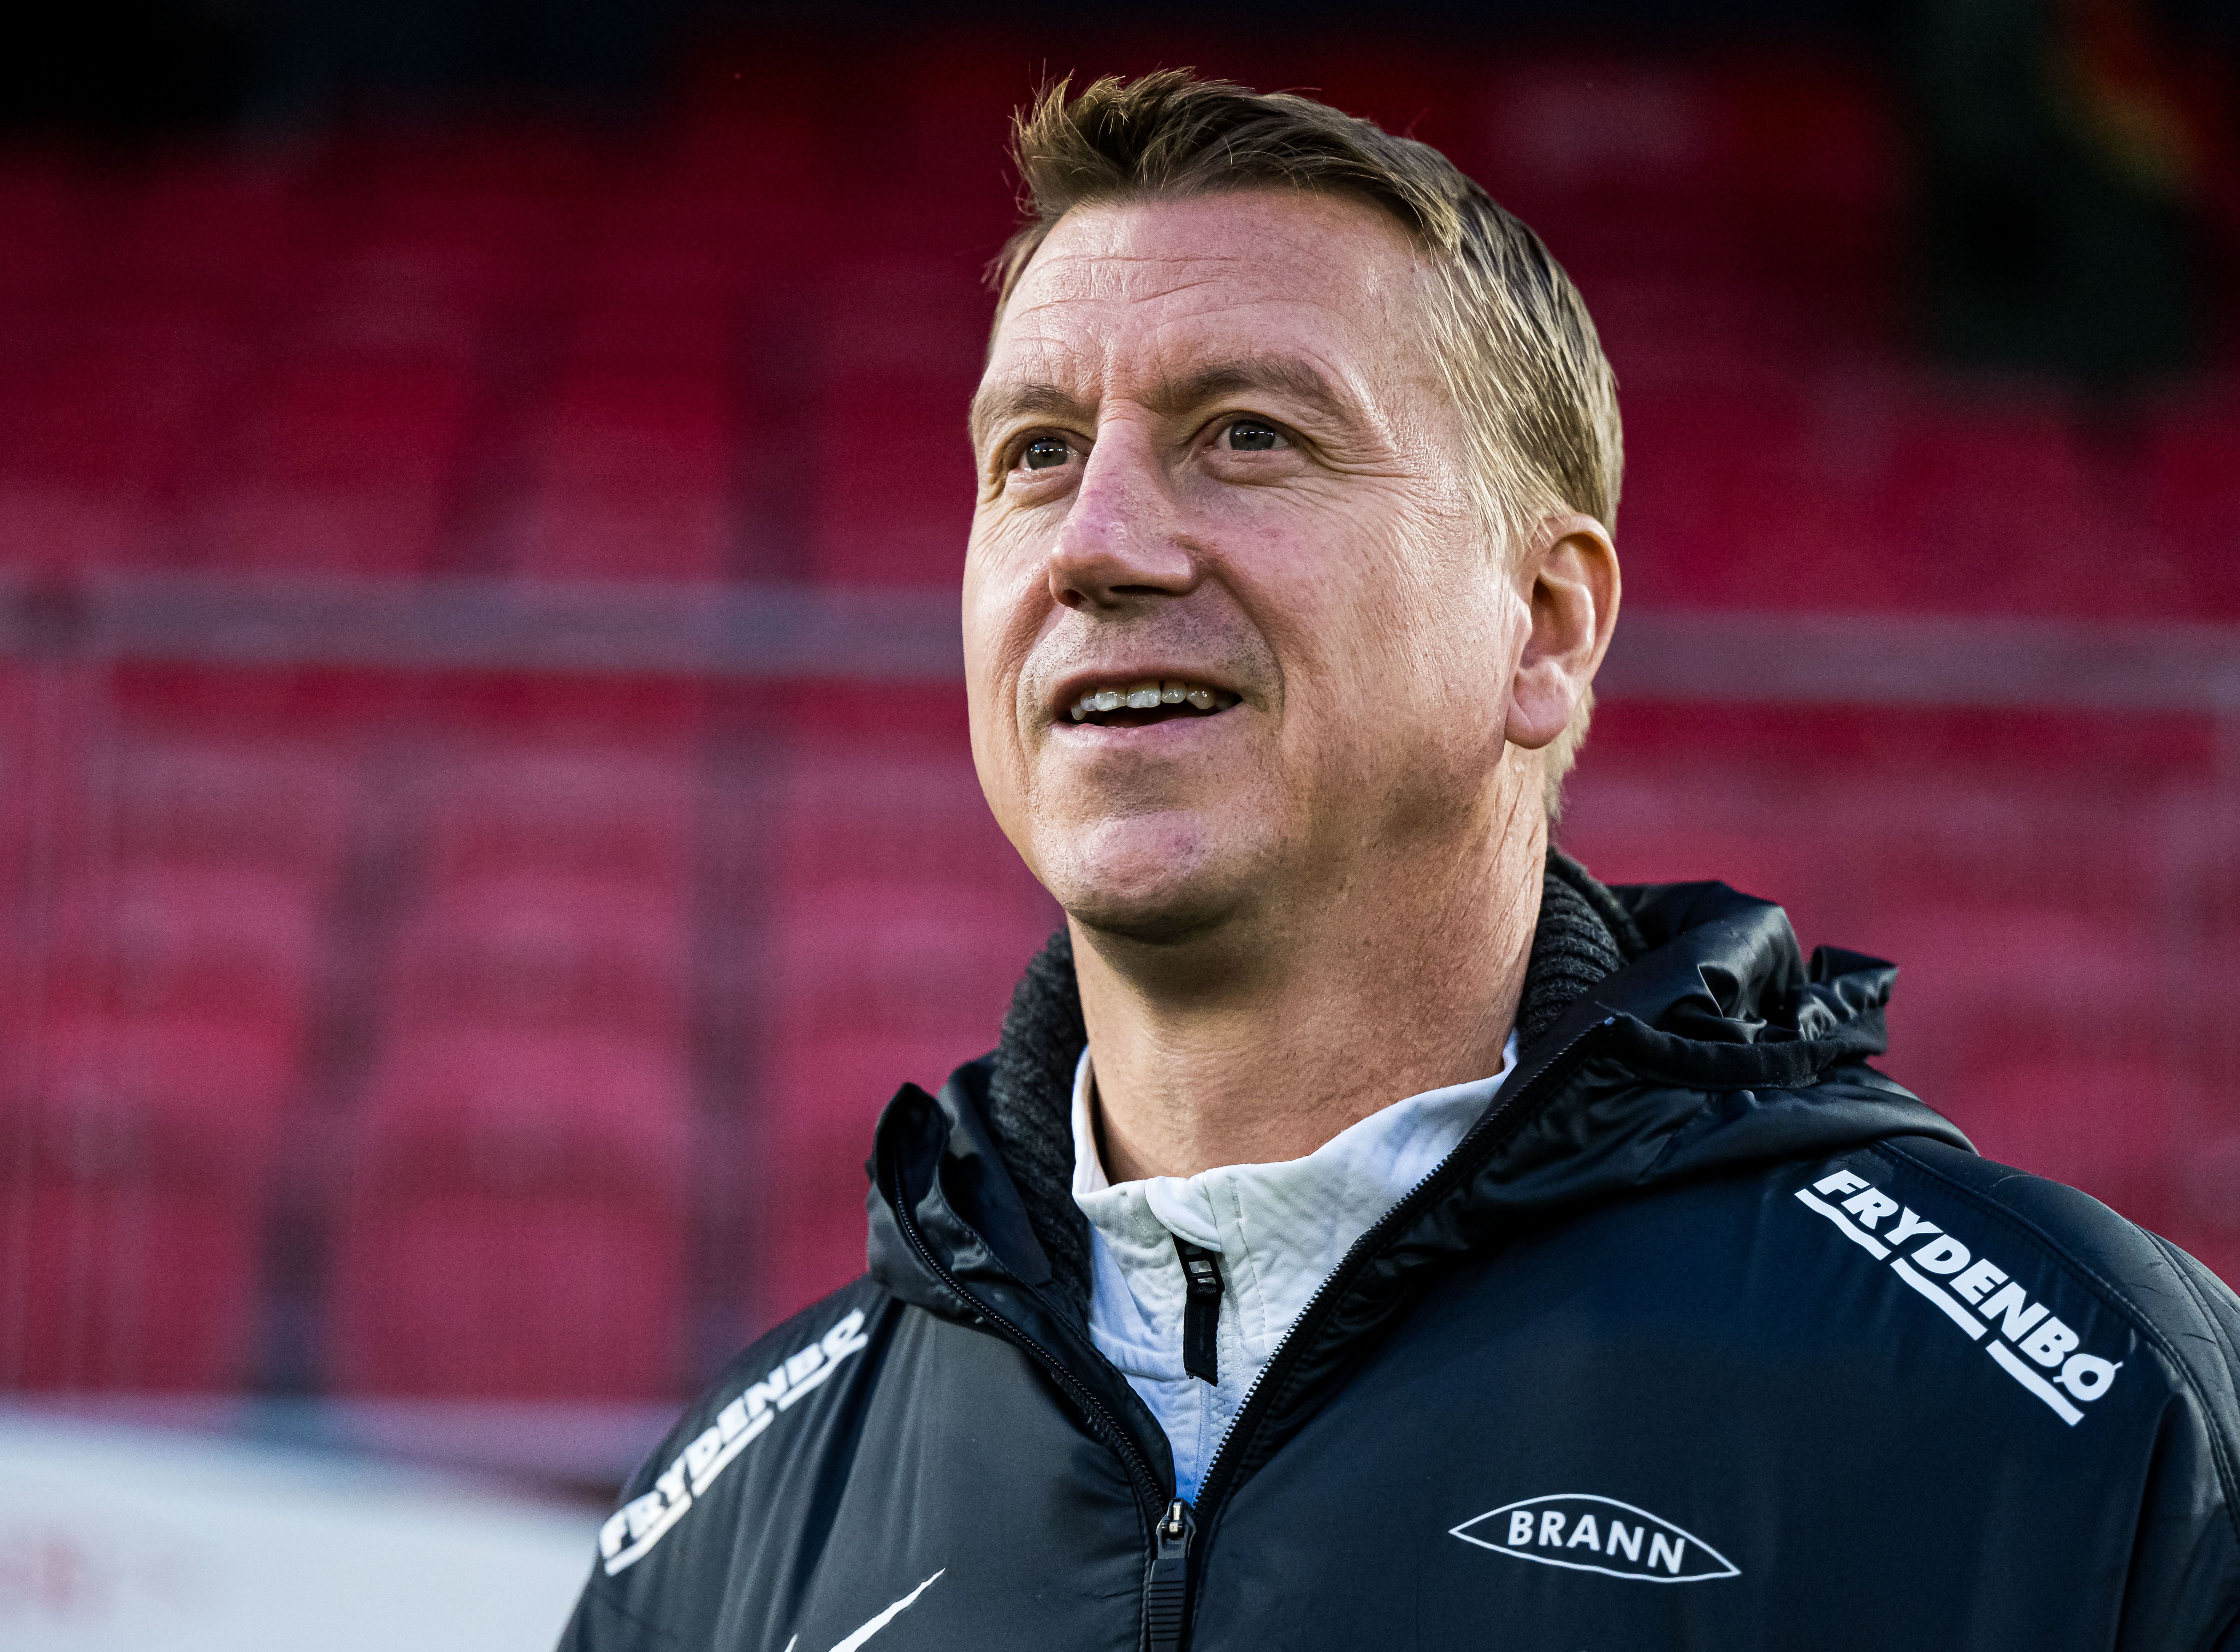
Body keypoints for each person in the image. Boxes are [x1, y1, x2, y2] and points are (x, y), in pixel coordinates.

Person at [558, 71, 2240, 1651]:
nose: (1093, 545)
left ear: (1545, 625)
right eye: (1036, 454)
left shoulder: (2079, 1425)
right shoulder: (716, 1536)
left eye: (1246, 434)